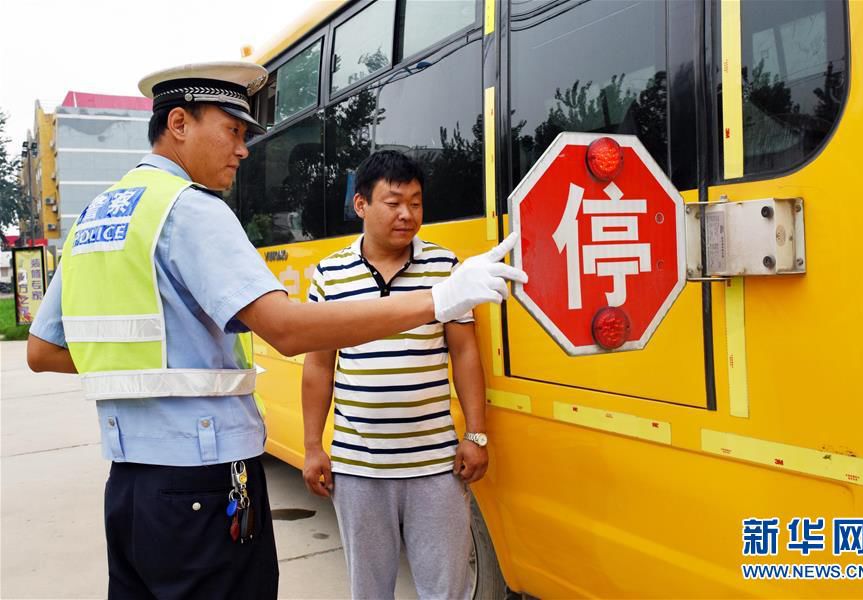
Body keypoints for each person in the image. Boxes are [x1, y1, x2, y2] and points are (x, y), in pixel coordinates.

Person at [25, 61, 526, 600]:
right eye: (233, 132)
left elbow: (44, 349)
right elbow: (287, 331)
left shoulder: (99, 216)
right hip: (203, 482)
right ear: (178, 123)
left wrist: (160, 361)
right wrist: (441, 299)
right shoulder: (190, 210)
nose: (243, 150)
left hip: (129, 488)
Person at [301, 150, 489, 599]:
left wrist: (477, 436)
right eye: (393, 202)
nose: (407, 214)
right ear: (361, 205)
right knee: (370, 591)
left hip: (436, 467)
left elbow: (465, 355)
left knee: (447, 590)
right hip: (358, 467)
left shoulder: (446, 268)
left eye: (416, 202)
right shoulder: (330, 274)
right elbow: (318, 364)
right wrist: (312, 446)